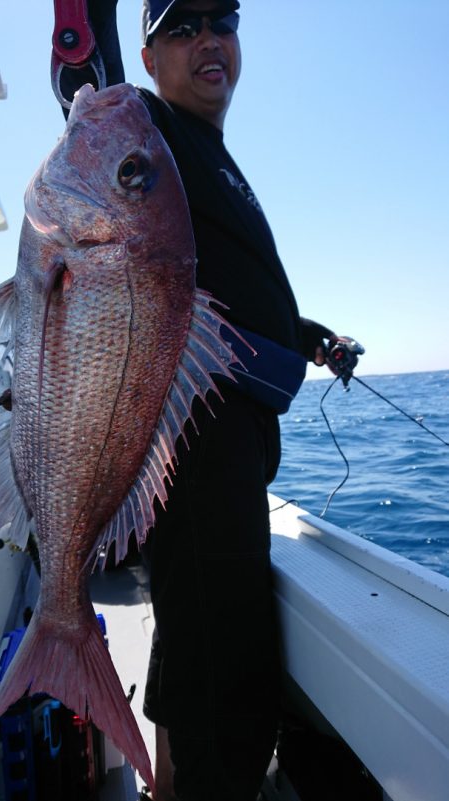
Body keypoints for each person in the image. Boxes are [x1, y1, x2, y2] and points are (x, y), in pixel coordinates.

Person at [54, 2, 337, 799]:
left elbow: (223, 291)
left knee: (191, 659)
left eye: (223, 21)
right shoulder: (148, 128)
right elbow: (93, 96)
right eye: (182, 28)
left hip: (224, 467)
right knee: (228, 697)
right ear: (145, 58)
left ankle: (164, 788)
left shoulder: (212, 156)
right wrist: (83, 29)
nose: (208, 40)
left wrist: (306, 333)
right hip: (199, 457)